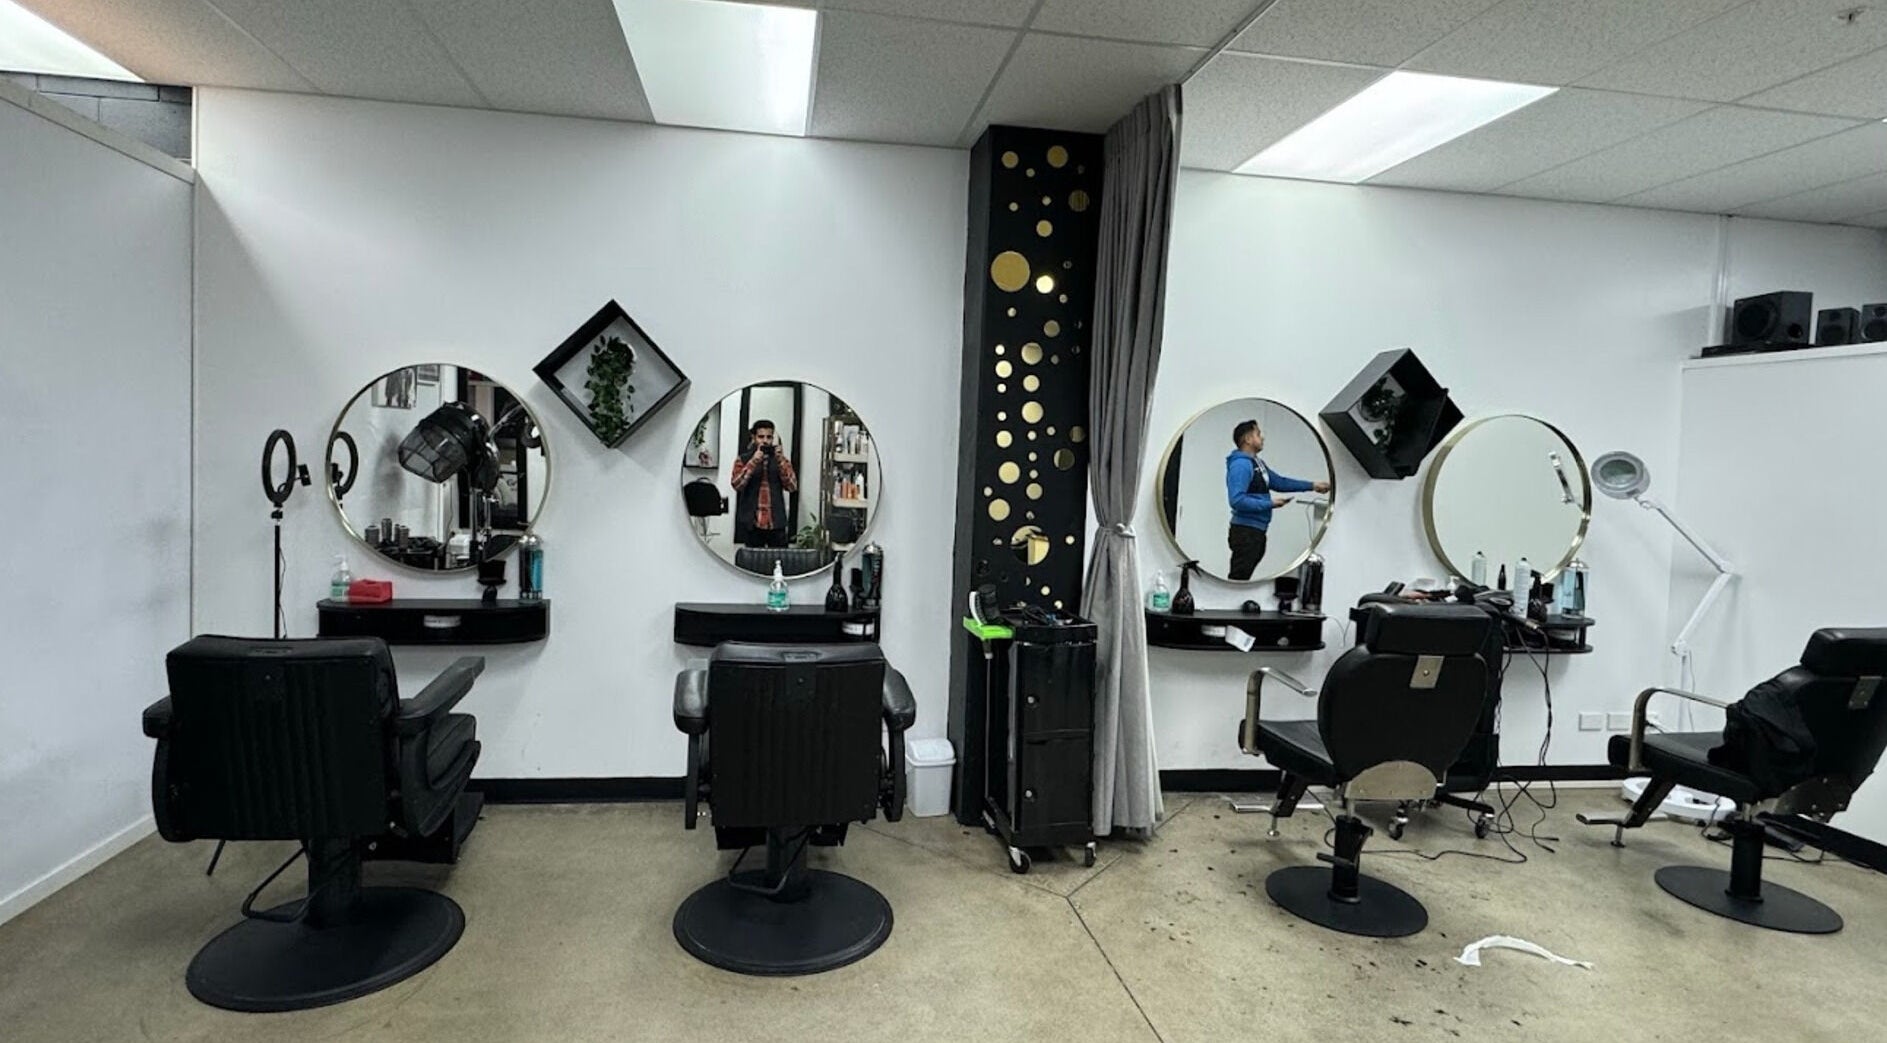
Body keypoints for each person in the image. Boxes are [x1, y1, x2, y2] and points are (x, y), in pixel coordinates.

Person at [1225, 419, 1328, 581]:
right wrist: (1270, 504)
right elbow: (1237, 500)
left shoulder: (1257, 463)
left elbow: (1279, 482)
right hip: (1246, 531)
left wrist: (1312, 486)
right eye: (1258, 434)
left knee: (1243, 575)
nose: (1262, 437)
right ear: (1248, 439)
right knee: (1239, 577)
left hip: (1257, 531)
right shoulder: (1241, 465)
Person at [730, 419, 798, 548]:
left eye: (769, 437)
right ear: (754, 438)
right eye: (761, 437)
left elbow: (792, 486)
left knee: (779, 562)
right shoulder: (743, 459)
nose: (765, 441)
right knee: (752, 563)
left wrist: (780, 461)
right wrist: (753, 461)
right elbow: (736, 485)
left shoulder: (781, 460)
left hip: (776, 522)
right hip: (752, 522)